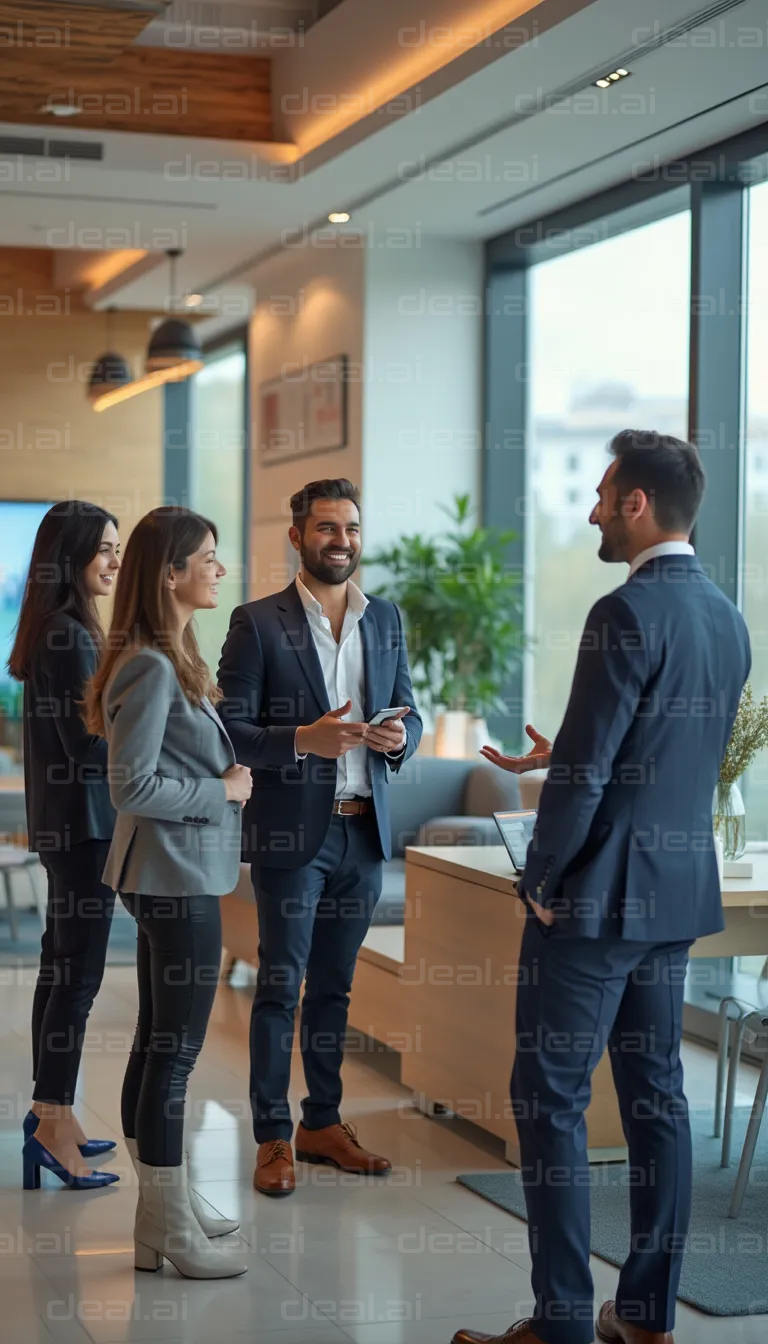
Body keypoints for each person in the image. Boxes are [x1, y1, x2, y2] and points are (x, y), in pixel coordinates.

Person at [454, 431, 751, 1344]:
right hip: (673, 895)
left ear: (634, 503)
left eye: (599, 495)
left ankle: (562, 1323)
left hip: (591, 906)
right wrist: (573, 761)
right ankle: (649, 1316)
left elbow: (585, 778)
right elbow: (659, 758)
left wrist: (538, 879)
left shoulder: (623, 614)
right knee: (659, 1100)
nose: (589, 512)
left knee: (549, 1104)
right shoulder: (727, 617)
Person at [217, 477, 422, 1196]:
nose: (342, 541)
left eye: (352, 528)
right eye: (328, 528)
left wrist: (399, 737)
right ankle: (273, 1136)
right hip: (291, 836)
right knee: (280, 986)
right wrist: (306, 738)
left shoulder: (385, 619)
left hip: (363, 832)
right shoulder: (257, 622)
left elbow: (411, 711)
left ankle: (323, 1123)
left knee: (335, 987)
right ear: (298, 535)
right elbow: (230, 730)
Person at [83, 507, 251, 1279]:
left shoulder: (166, 653)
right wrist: (223, 790)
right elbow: (132, 784)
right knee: (175, 1054)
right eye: (208, 558)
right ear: (171, 574)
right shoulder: (149, 663)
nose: (219, 568)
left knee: (158, 1044)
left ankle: (165, 1215)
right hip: (171, 875)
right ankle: (167, 1225)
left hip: (167, 873)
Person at [9, 500, 122, 1191]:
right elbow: (91, 743)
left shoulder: (55, 629)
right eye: (104, 549)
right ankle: (54, 1122)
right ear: (72, 555)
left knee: (60, 968)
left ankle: (53, 1113)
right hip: (85, 827)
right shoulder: (70, 635)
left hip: (67, 825)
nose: (114, 561)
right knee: (75, 977)